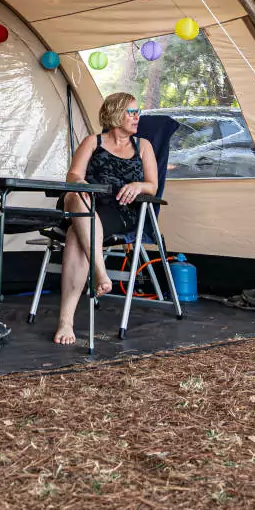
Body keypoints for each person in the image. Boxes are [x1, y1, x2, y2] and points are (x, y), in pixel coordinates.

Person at [54, 91, 160, 345]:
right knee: (77, 195)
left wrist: (138, 185)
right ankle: (100, 271)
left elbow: (153, 186)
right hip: (86, 202)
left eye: (138, 113)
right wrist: (82, 185)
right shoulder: (93, 142)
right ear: (115, 114)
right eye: (132, 112)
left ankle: (65, 321)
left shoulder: (143, 146)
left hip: (119, 211)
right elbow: (73, 176)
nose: (137, 117)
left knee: (76, 234)